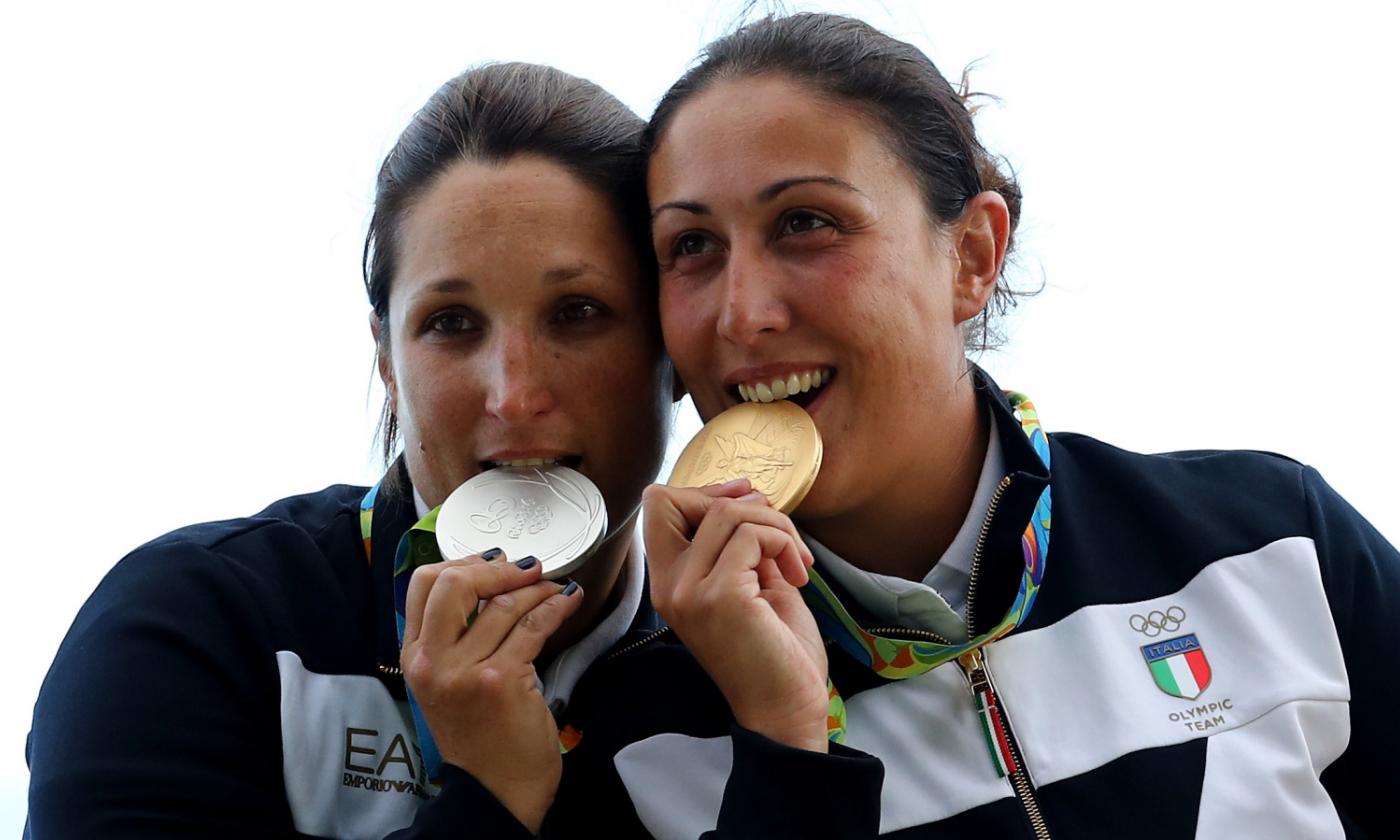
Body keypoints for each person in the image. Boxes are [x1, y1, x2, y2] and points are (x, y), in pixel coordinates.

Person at [624, 13, 1400, 838]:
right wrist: (784, 746)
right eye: (693, 245)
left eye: (806, 223)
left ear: (972, 256)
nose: (743, 315)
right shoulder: (639, 739)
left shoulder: (1270, 544)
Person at [26, 62, 676, 838]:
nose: (514, 393)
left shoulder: (772, 660)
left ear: (671, 343)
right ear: (386, 361)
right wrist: (486, 803)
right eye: (452, 323)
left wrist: (789, 746)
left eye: (578, 311)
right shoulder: (196, 623)